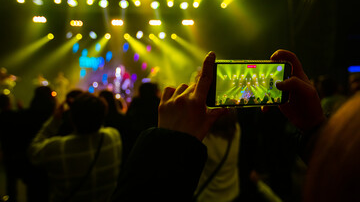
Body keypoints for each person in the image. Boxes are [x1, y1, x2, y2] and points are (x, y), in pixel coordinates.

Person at [111, 50, 326, 201]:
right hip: (233, 195)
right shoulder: (237, 128)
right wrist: (316, 129)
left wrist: (169, 141)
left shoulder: (200, 138)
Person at [29, 93, 122, 201]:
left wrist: (54, 120)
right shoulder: (113, 136)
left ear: (71, 118)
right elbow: (96, 119)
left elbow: (33, 151)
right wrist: (89, 108)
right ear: (104, 114)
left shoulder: (57, 148)